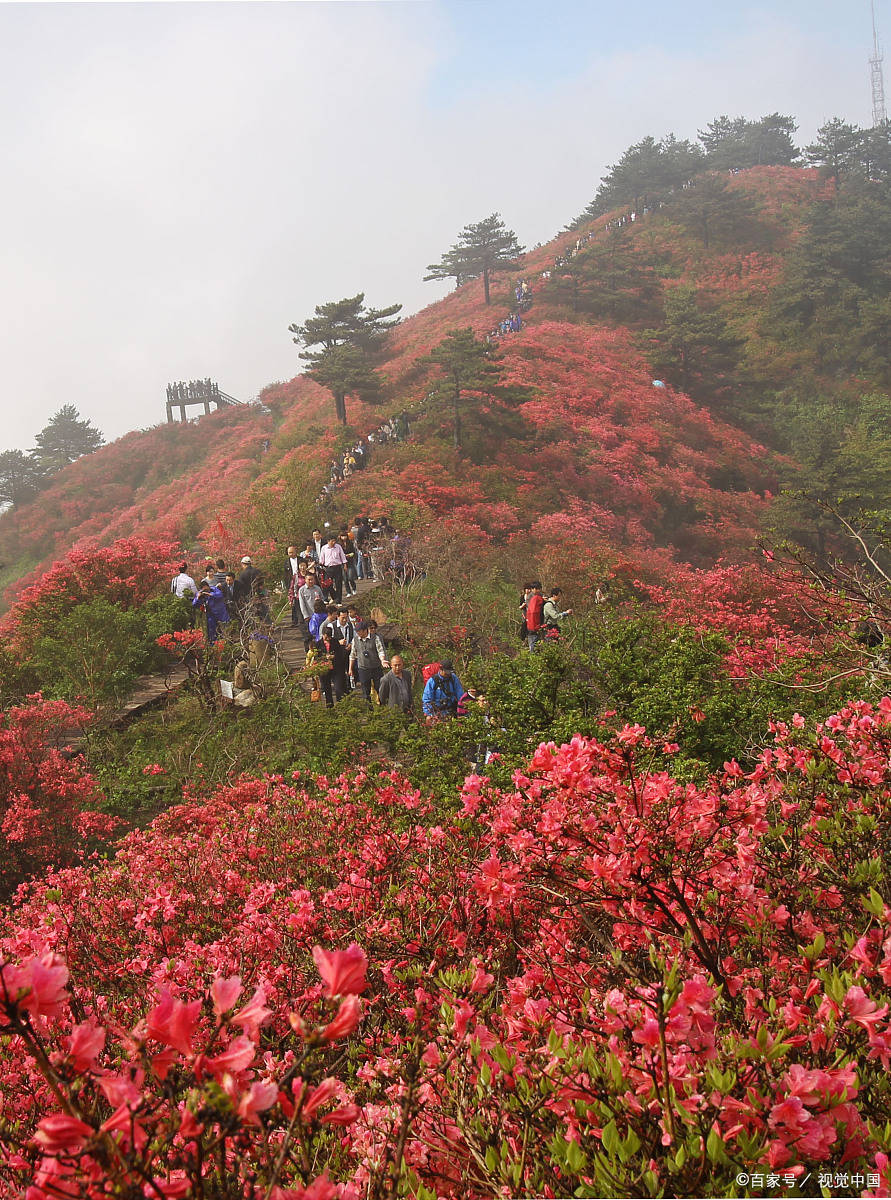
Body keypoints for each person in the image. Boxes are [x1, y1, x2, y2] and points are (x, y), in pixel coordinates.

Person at [349, 620, 389, 703]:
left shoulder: (375, 638)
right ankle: (369, 710)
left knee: (380, 688)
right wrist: (350, 668)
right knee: (365, 691)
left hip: (376, 667)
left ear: (365, 630)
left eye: (359, 631)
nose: (358, 634)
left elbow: (380, 651)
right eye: (357, 632)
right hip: (363, 668)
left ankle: (382, 707)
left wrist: (382, 660)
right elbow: (352, 655)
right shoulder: (355, 640)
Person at [192, 580, 231, 645]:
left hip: (221, 614)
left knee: (225, 630)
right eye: (204, 589)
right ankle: (213, 645)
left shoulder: (214, 589)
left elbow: (220, 595)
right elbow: (194, 604)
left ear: (208, 586)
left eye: (206, 588)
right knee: (212, 632)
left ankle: (227, 644)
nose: (206, 590)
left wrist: (210, 594)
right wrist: (198, 598)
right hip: (210, 615)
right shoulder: (200, 594)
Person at [319, 534, 348, 603]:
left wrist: (345, 564)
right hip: (328, 568)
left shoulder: (338, 547)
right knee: (328, 584)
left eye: (334, 541)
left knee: (338, 584)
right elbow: (322, 558)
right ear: (328, 541)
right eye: (332, 541)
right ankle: (332, 596)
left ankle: (339, 601)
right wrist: (321, 565)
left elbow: (342, 556)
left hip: (337, 567)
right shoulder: (324, 548)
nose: (333, 543)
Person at [524, 581, 545, 652]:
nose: (538, 591)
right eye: (536, 589)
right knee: (532, 640)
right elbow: (531, 609)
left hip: (539, 619)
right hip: (532, 621)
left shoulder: (540, 595)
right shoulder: (530, 597)